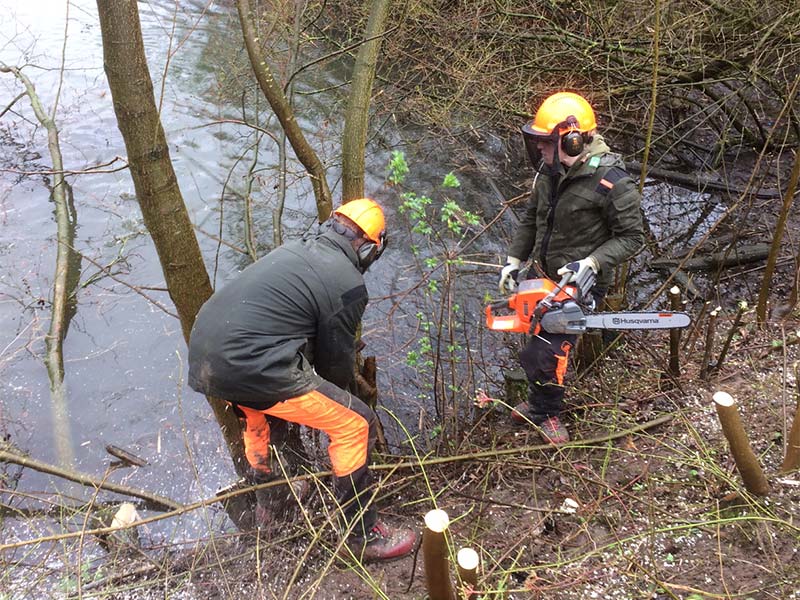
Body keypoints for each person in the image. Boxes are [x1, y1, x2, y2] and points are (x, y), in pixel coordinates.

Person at [188, 198, 417, 562]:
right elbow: (335, 366)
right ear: (370, 247)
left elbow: (290, 325)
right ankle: (362, 534)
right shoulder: (347, 281)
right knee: (355, 423)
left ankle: (272, 503)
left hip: (207, 356)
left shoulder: (295, 250)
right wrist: (350, 396)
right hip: (251, 363)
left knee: (259, 418)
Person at [497, 92, 644, 444]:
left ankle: (547, 414)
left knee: (548, 352)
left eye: (546, 144)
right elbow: (532, 219)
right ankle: (538, 401)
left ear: (573, 141)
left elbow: (632, 237)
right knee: (533, 341)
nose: (541, 152)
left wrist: (592, 262)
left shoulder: (613, 182)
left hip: (581, 281)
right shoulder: (551, 174)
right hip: (545, 272)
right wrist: (514, 261)